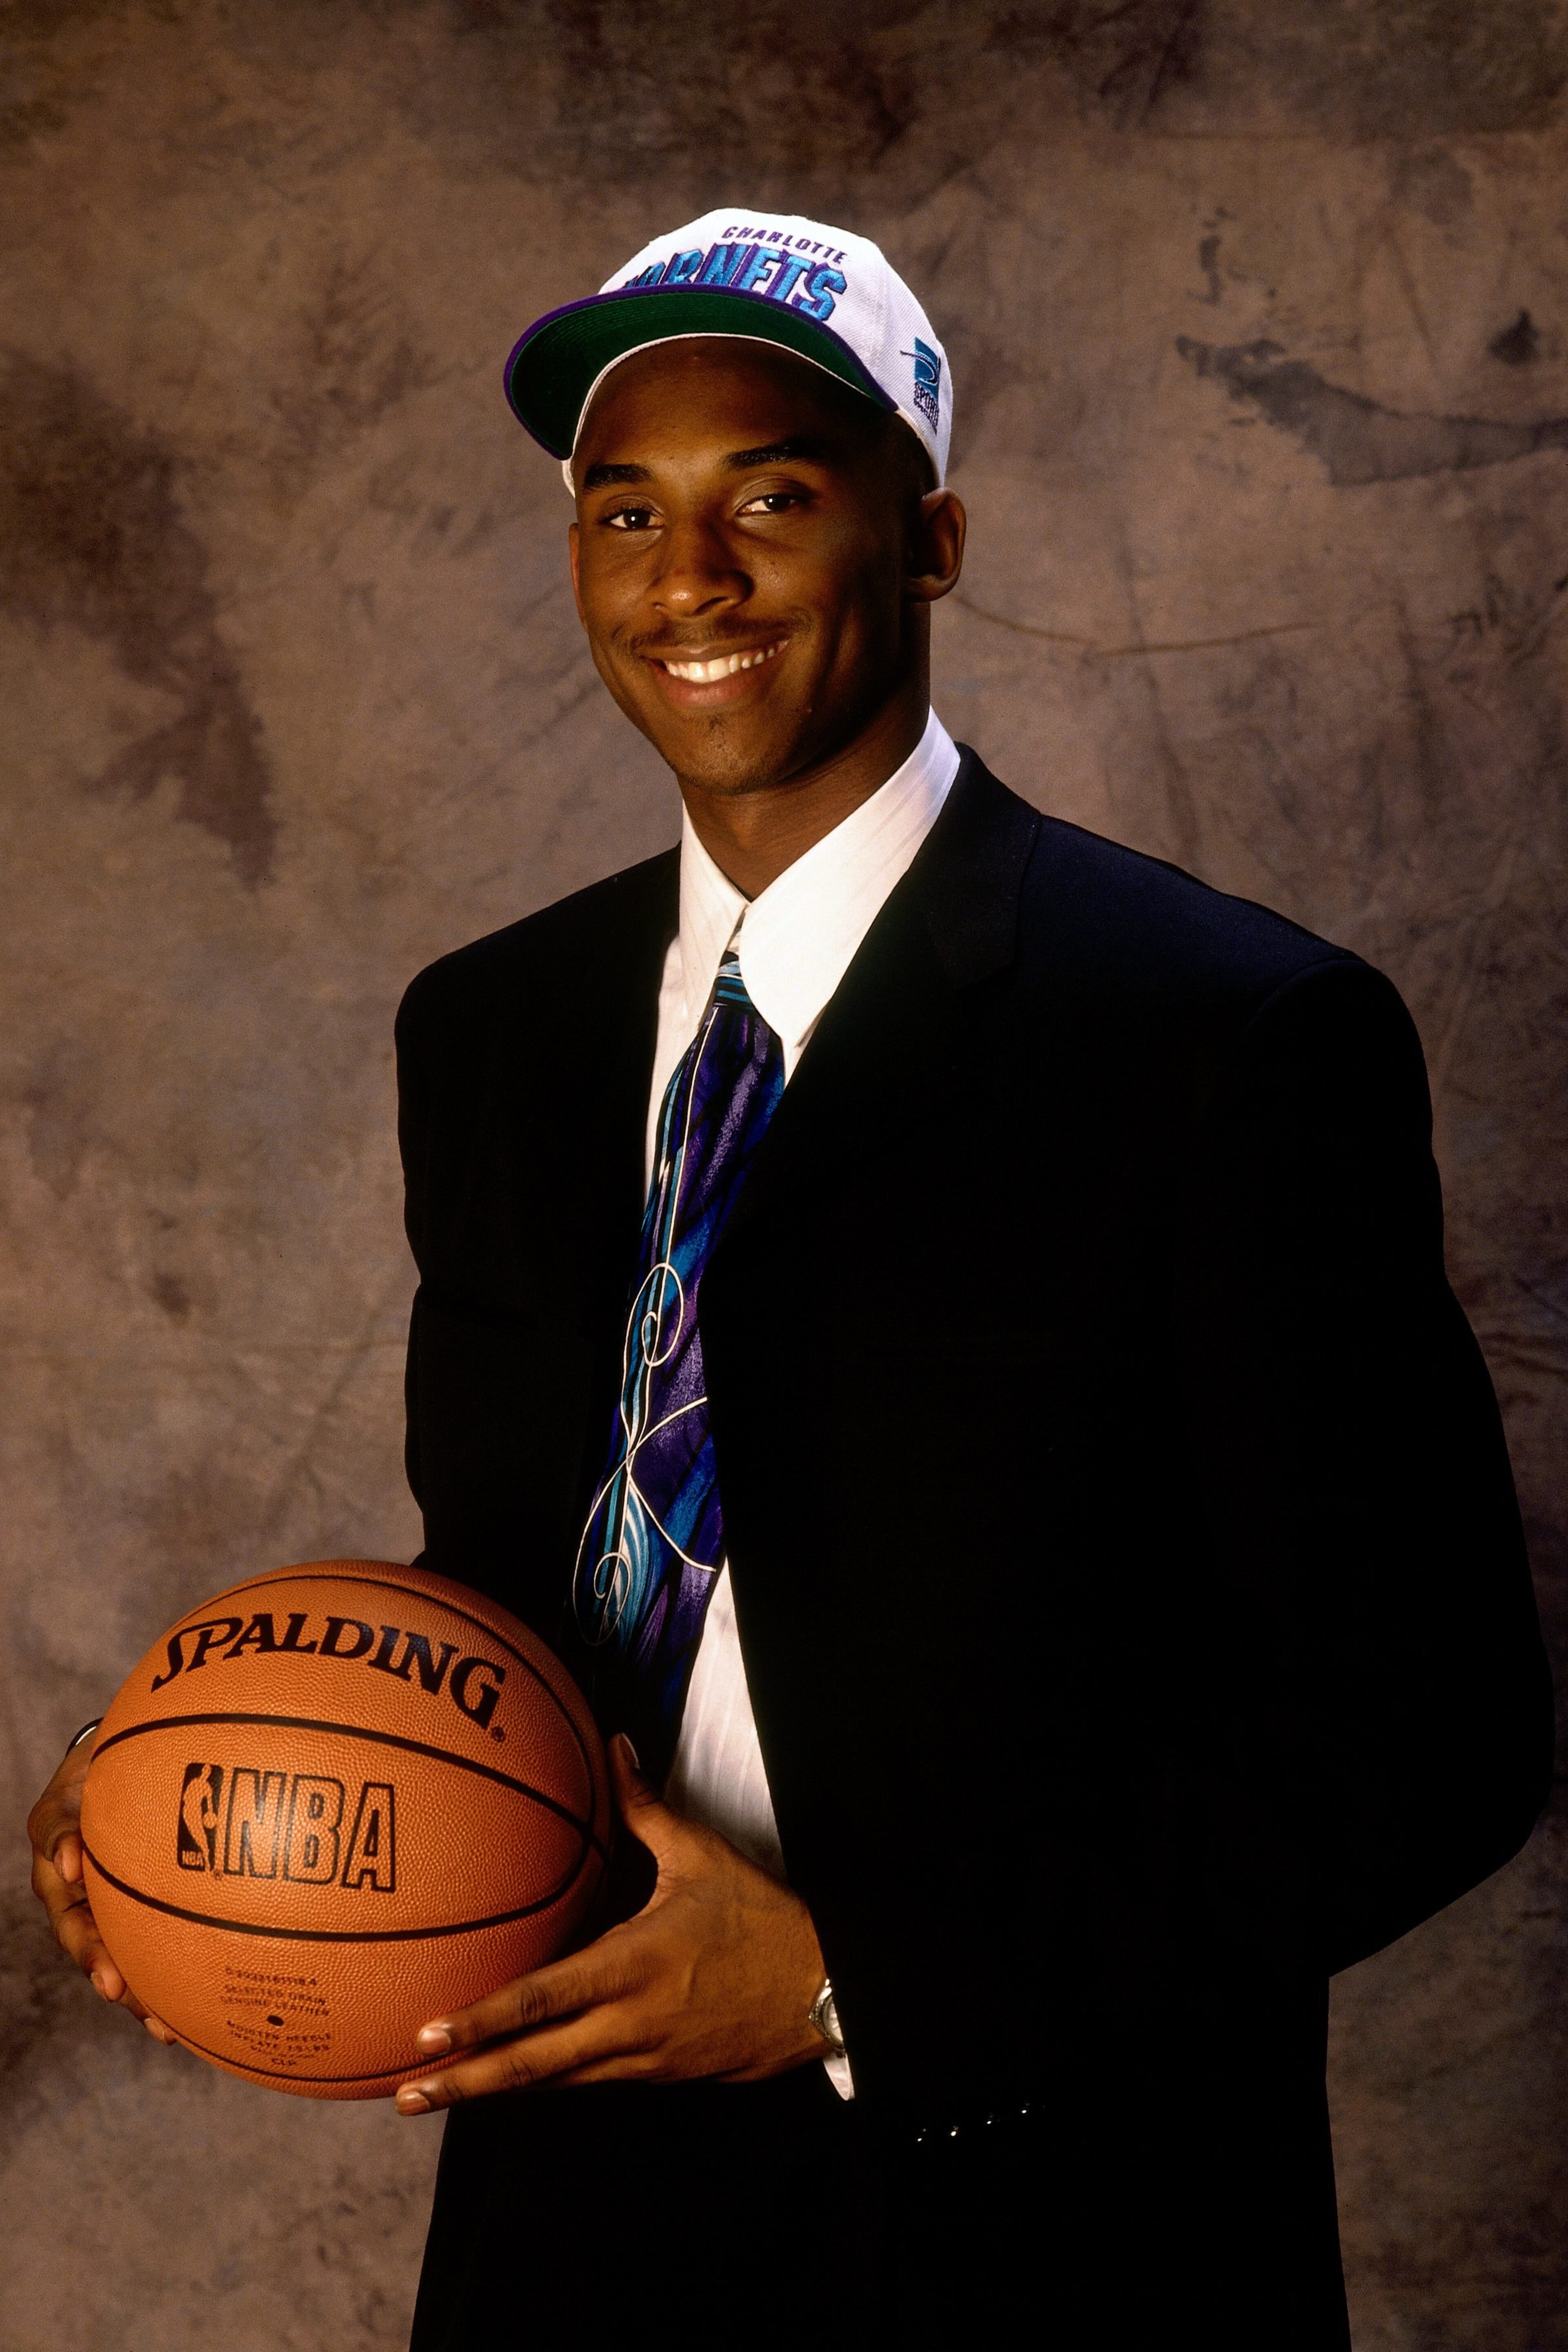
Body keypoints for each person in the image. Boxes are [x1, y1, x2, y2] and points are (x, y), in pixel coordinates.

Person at [29, 208, 1554, 2349]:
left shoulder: (1221, 1037)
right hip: (572, 2205)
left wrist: (856, 1984)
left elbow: (1432, 1736)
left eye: (771, 498)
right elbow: (522, 1584)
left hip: (1042, 2220)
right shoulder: (497, 1030)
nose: (690, 577)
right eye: (624, 511)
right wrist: (215, 1779)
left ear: (928, 542)